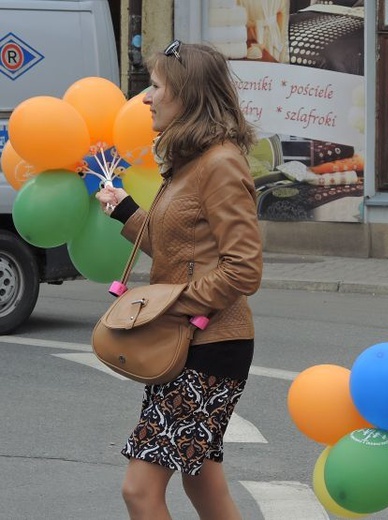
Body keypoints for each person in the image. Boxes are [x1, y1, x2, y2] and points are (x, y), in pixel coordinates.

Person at [96, 40, 262, 520]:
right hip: (191, 343)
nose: (145, 97)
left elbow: (244, 268)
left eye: (155, 86)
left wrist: (167, 305)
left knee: (139, 490)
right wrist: (126, 212)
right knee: (203, 484)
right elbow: (182, 250)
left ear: (186, 96)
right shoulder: (192, 161)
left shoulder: (220, 163)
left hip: (208, 346)